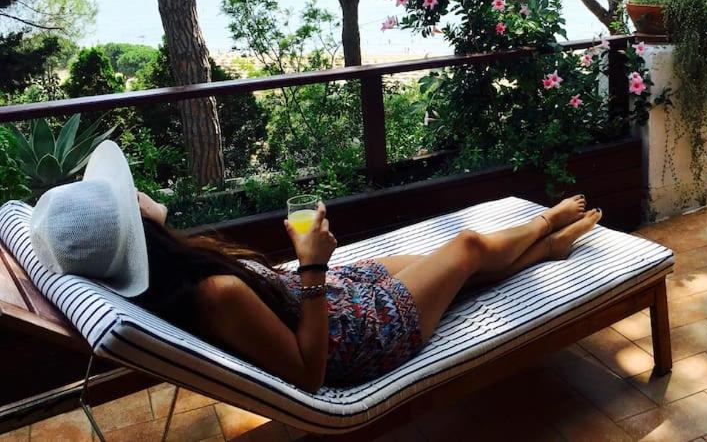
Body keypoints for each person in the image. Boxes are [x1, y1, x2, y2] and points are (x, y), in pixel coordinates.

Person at [30, 142, 602, 391]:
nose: (138, 191)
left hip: (333, 303)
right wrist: (310, 268)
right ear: (138, 231)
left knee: (453, 271)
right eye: (129, 197)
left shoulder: (180, 273)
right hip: (352, 338)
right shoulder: (213, 292)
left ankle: (547, 251)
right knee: (469, 248)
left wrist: (309, 271)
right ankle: (545, 225)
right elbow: (307, 372)